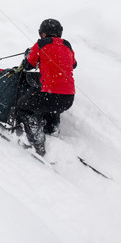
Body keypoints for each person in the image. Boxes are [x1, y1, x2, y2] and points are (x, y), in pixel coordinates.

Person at [16, 18, 77, 156]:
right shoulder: (67, 45)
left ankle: (36, 141)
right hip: (68, 98)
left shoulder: (41, 44)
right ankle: (52, 132)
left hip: (51, 94)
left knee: (23, 106)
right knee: (53, 109)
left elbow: (27, 66)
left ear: (43, 34)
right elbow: (73, 64)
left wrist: (29, 55)